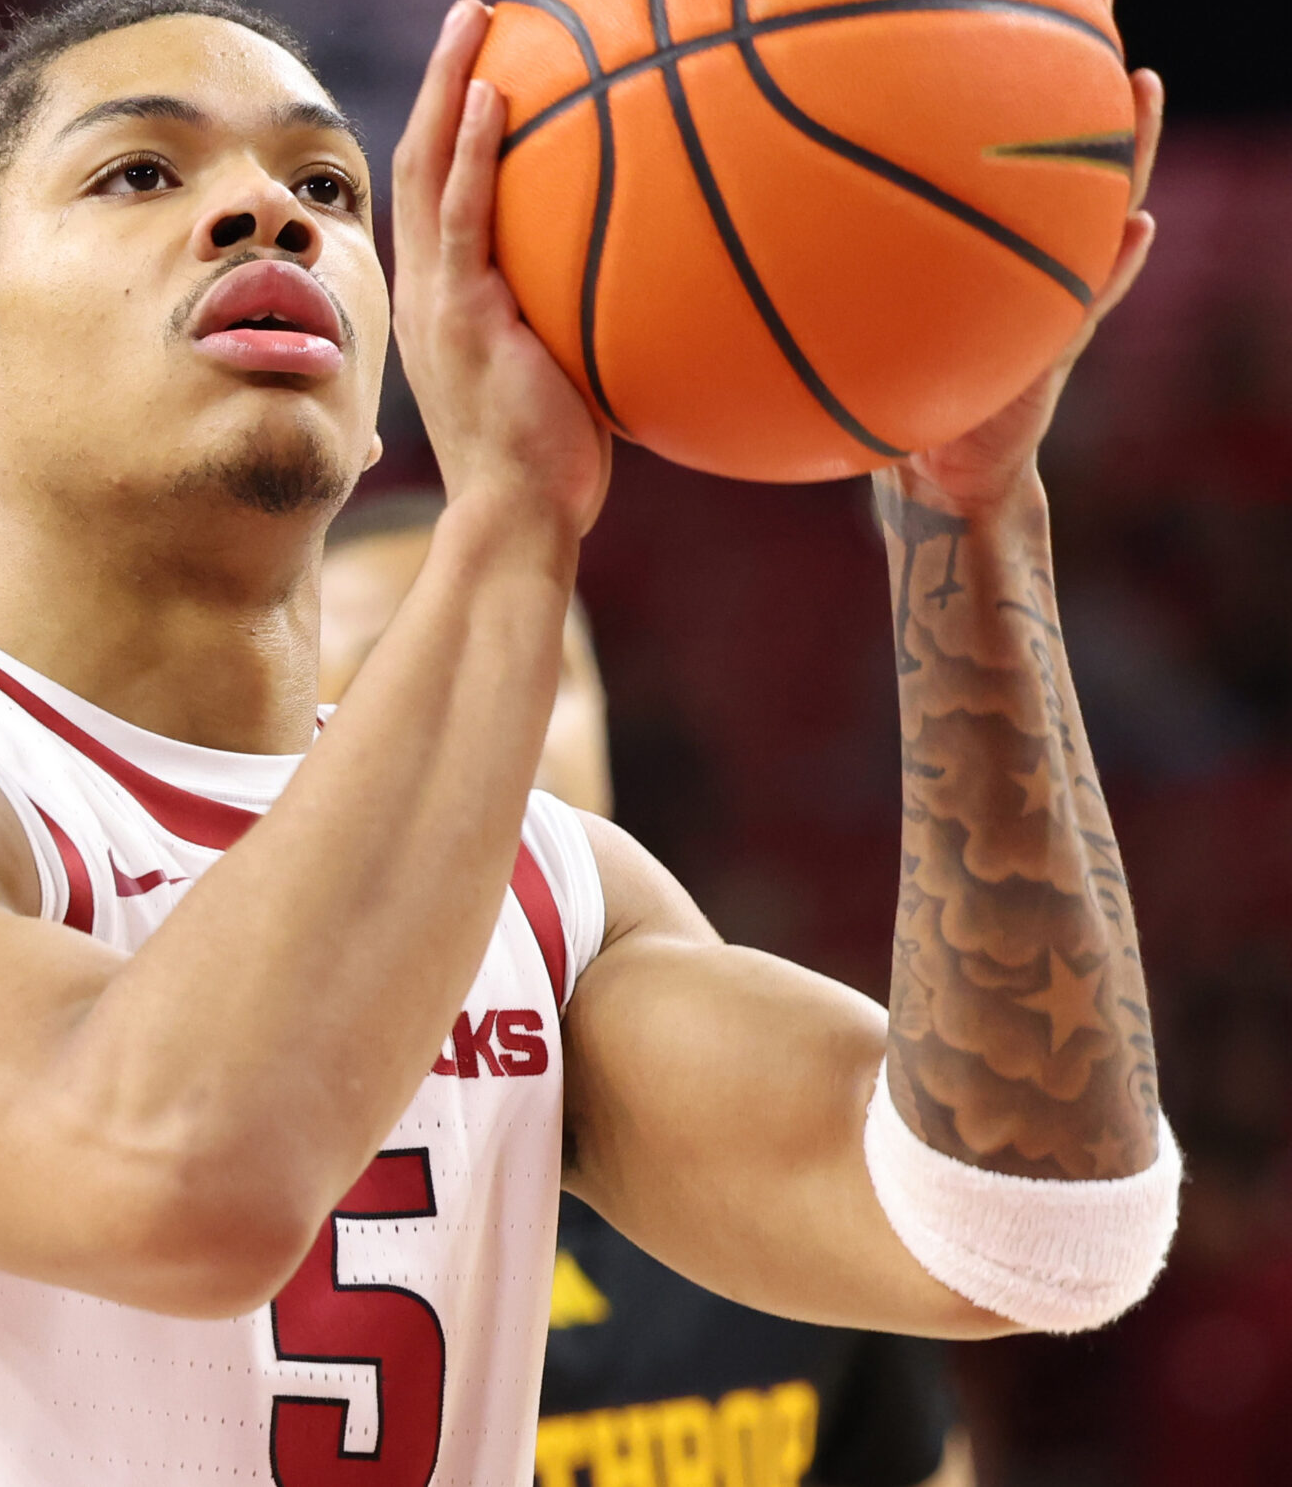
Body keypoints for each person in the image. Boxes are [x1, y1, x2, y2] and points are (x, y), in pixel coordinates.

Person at [0, 0, 1178, 1483]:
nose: (270, 208)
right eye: (136, 173)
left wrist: (970, 522)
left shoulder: (550, 890)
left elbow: (1026, 1233)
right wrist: (514, 516)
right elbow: (174, 1182)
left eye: (331, 189)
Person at [321, 493, 974, 1487]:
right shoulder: (227, 1150)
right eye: (399, 670)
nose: (499, 713)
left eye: (539, 664)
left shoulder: (768, 1107)